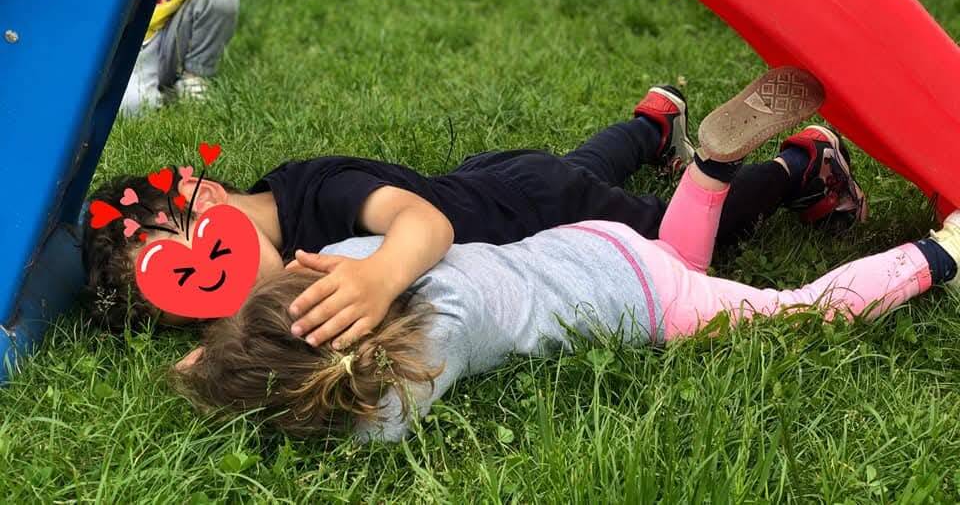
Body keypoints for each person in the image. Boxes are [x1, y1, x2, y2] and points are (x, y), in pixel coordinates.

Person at [170, 104, 954, 443]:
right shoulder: (353, 264)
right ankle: (708, 168)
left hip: (637, 299)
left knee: (795, 311)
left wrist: (233, 386)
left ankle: (941, 253)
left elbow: (359, 416)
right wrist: (227, 349)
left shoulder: (416, 368)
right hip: (580, 239)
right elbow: (302, 301)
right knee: (684, 257)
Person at [85, 68, 865, 349]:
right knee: (581, 165)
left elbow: (428, 227)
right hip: (508, 182)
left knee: (679, 228)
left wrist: (381, 276)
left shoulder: (315, 191)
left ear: (212, 204)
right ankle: (651, 124)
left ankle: (800, 166)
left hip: (538, 219)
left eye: (207, 278)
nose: (225, 309)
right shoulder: (271, 243)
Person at [119, 0, 239, 115]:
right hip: (123, 49)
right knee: (132, 106)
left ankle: (193, 77)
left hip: (168, 36)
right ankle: (163, 93)